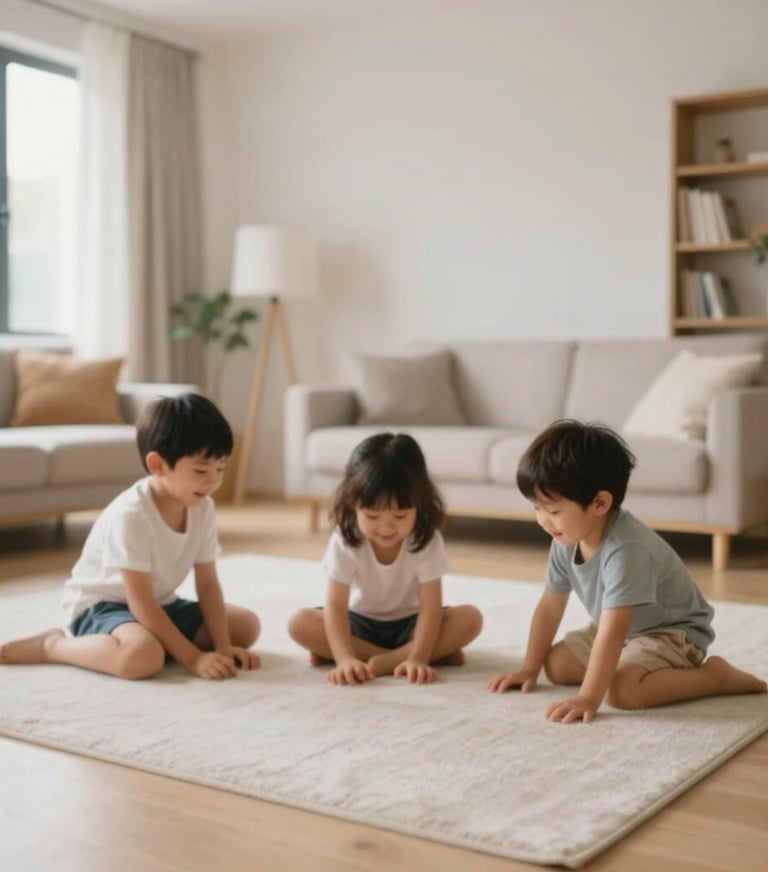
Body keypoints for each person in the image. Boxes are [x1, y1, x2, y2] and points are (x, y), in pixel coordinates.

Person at [487, 419, 766, 723]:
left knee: (621, 692)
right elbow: (550, 606)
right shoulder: (566, 538)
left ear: (599, 503)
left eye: (553, 511)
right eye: (537, 508)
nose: (543, 520)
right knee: (555, 665)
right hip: (622, 629)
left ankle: (716, 677)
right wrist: (529, 668)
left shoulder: (627, 550)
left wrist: (588, 698)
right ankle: (628, 665)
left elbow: (613, 629)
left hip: (670, 632)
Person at [0, 393, 261, 681]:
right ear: (158, 465)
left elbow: (208, 584)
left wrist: (223, 647)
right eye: (201, 470)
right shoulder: (133, 514)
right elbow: (141, 603)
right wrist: (194, 658)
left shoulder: (202, 507)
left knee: (245, 627)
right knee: (142, 659)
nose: (213, 481)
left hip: (160, 604)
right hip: (103, 606)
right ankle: (53, 646)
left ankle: (156, 640)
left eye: (220, 468)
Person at [288, 432, 483, 685]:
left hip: (411, 625)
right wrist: (345, 657)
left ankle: (391, 659)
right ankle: (407, 657)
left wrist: (419, 657)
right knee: (299, 623)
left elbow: (430, 609)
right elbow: (335, 607)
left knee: (470, 619)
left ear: (420, 504)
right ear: (352, 503)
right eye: (371, 516)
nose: (386, 528)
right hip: (358, 623)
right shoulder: (346, 540)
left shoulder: (426, 539)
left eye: (400, 516)